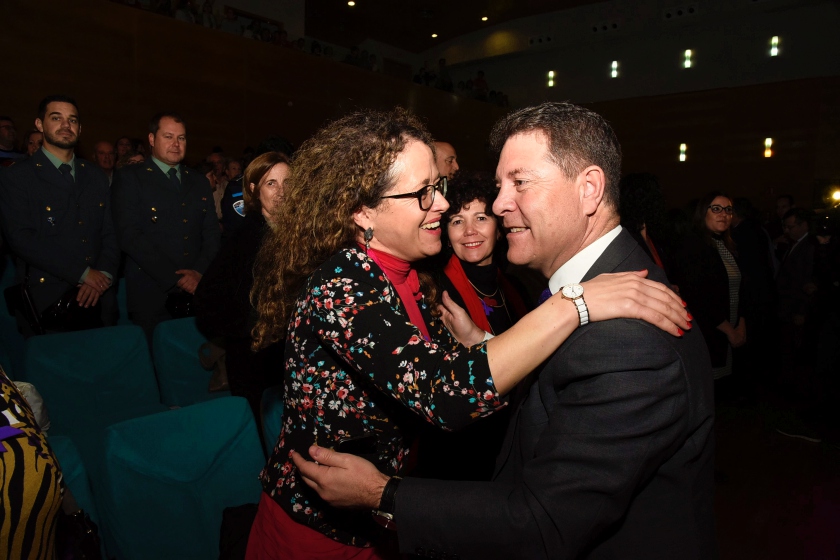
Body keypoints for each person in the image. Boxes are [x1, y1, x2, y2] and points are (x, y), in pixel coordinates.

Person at [245, 107, 692, 559]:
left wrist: (481, 340)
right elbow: (446, 394)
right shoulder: (342, 285)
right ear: (363, 212)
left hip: (378, 523)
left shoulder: (412, 279)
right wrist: (575, 302)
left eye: (437, 187)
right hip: (315, 531)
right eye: (423, 193)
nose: (442, 204)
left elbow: (462, 372)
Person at [417, 173, 529, 481]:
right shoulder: (436, 292)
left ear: (499, 227)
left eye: (481, 218)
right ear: (446, 232)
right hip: (460, 457)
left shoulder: (518, 289)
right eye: (457, 221)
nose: (469, 231)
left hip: (513, 445)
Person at [0, 95, 119, 335]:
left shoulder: (94, 175)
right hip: (47, 301)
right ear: (39, 124)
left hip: (99, 298)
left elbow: (110, 232)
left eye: (72, 120)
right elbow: (21, 238)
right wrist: (83, 274)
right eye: (56, 118)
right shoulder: (18, 177)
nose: (66, 125)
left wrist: (102, 276)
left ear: (80, 128)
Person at [194, 152, 289, 434]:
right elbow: (206, 302)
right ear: (254, 190)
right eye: (271, 183)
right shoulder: (244, 239)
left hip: (291, 362)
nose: (281, 191)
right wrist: (252, 327)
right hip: (257, 367)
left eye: (288, 182)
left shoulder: (302, 234)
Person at [111, 111, 220, 342]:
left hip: (197, 290)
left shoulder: (198, 181)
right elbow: (129, 235)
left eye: (181, 138)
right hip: (151, 295)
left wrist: (199, 272)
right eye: (168, 136)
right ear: (152, 139)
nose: (176, 144)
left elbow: (211, 233)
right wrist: (175, 278)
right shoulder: (131, 177)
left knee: (197, 358)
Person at [674, 192, 745, 381]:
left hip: (730, 330)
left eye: (728, 210)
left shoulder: (727, 245)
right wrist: (730, 331)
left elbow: (741, 289)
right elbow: (698, 298)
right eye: (716, 209)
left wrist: (741, 324)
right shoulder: (693, 246)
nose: (724, 214)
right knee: (709, 386)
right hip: (709, 333)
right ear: (702, 213)